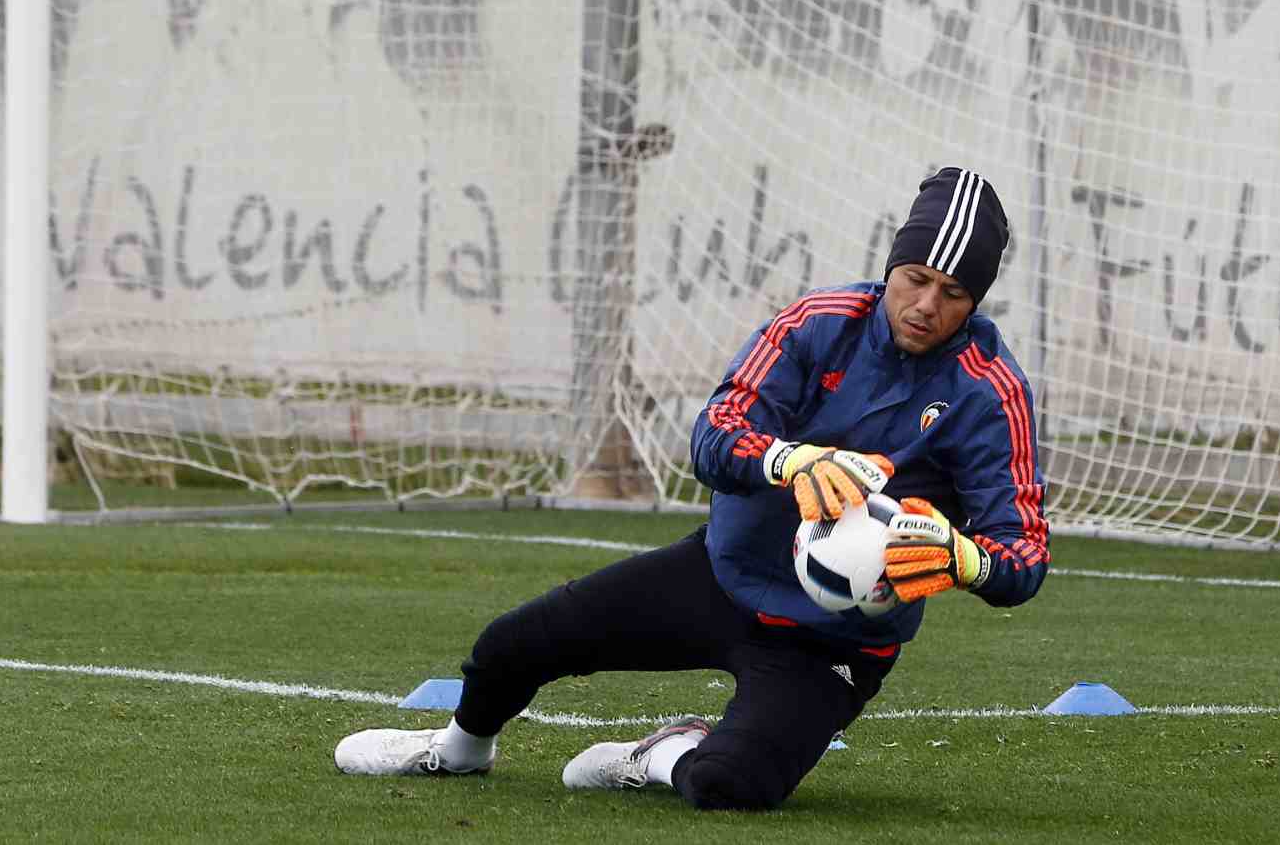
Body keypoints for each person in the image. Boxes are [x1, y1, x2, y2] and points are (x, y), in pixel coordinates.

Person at [333, 166, 1050, 810]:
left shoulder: (991, 393)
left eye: (953, 292)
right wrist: (789, 462)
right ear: (891, 266)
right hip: (721, 574)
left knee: (731, 786)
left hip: (834, 641)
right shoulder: (819, 325)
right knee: (510, 646)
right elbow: (715, 431)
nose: (926, 303)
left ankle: (663, 753)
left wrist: (967, 560)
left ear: (975, 302)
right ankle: (458, 751)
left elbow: (1023, 556)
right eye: (914, 278)